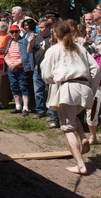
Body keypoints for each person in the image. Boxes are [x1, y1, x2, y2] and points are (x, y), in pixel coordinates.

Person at [41, 20, 101, 175]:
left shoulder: (54, 50)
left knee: (67, 127)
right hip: (84, 89)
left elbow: (46, 74)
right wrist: (91, 89)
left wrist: (56, 81)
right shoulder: (81, 48)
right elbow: (96, 70)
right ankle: (82, 136)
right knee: (72, 116)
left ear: (55, 34)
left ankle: (81, 165)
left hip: (68, 88)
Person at [4, 25, 31, 115]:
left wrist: (15, 65)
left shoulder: (23, 41)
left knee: (24, 86)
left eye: (16, 31)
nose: (14, 34)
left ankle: (26, 108)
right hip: (11, 68)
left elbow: (25, 56)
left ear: (19, 32)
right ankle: (18, 106)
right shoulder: (9, 42)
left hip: (21, 68)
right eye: (12, 32)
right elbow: (6, 55)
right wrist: (10, 65)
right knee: (14, 86)